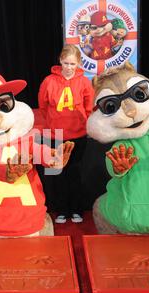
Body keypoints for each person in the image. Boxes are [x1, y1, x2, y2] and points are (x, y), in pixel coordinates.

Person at [38, 44, 94, 224]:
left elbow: (89, 106)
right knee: (58, 174)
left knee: (75, 174)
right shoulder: (49, 81)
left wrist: (83, 124)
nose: (69, 67)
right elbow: (43, 106)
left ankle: (76, 210)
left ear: (78, 63)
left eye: (73, 64)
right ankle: (61, 210)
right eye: (66, 63)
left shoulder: (84, 81)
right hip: (56, 135)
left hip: (78, 135)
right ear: (60, 61)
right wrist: (53, 123)